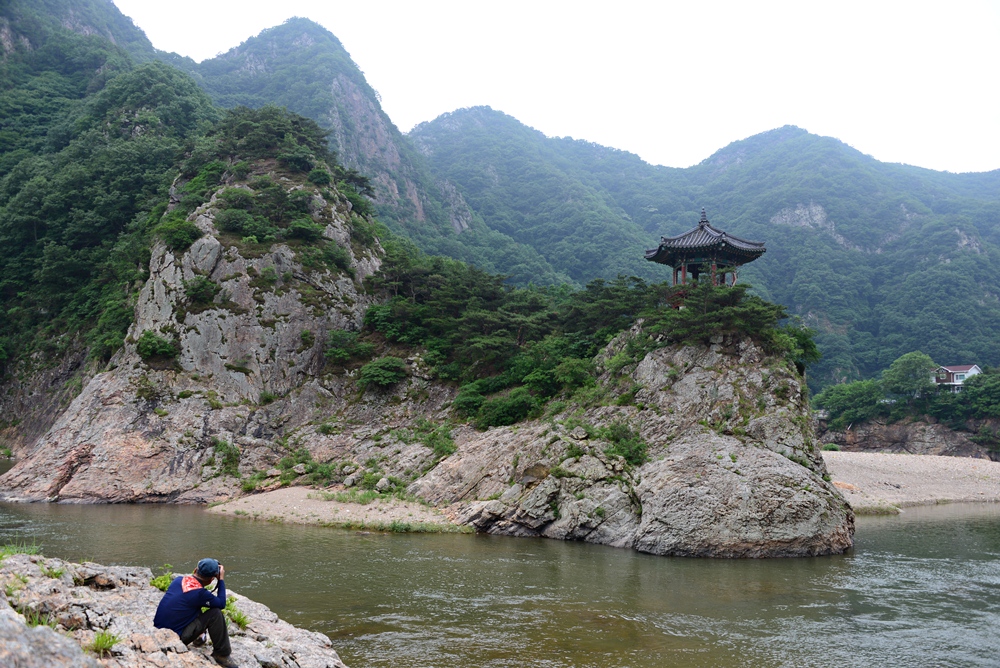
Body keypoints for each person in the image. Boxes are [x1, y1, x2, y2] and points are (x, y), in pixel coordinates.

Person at [153, 558, 237, 667]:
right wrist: (221, 580)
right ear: (211, 580)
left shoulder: (178, 580)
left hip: (157, 633)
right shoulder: (200, 594)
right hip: (175, 640)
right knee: (215, 613)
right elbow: (221, 604)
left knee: (192, 606)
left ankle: (199, 637)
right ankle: (222, 655)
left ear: (195, 570)